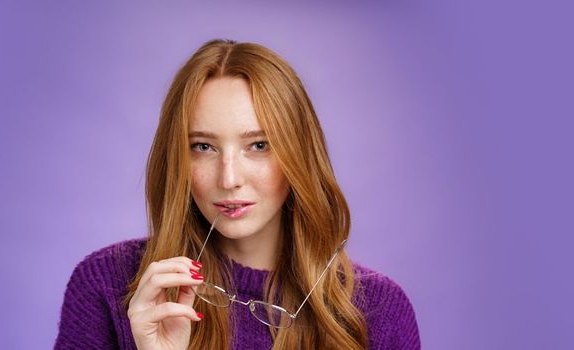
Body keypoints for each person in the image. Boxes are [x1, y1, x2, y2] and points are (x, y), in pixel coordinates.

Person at [54, 39, 420, 349]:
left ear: (300, 154)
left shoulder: (377, 311)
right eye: (203, 147)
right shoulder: (108, 285)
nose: (229, 178)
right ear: (177, 158)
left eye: (258, 145)